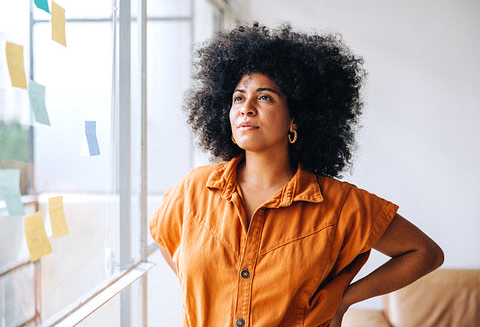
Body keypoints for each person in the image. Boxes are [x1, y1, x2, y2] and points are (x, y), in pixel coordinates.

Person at [149, 22, 444, 327]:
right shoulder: (194, 189)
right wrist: (200, 291)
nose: (246, 108)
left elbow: (425, 253)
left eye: (264, 97)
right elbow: (163, 236)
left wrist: (343, 300)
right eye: (238, 97)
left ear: (296, 119)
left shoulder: (339, 204)